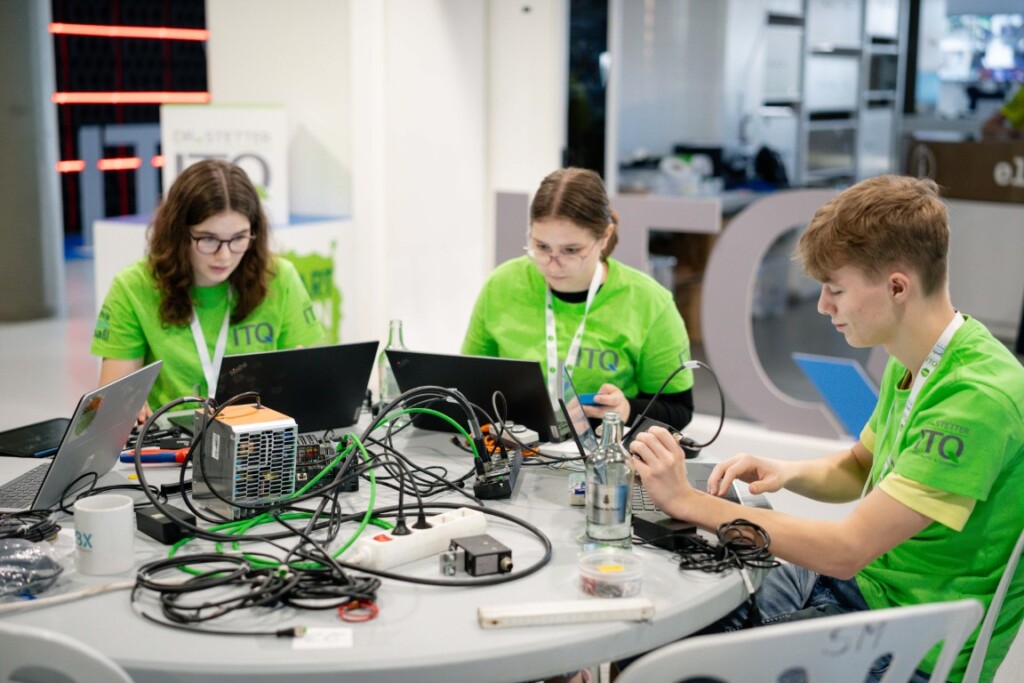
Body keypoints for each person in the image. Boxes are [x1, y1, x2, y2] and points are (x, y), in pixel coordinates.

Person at [629, 175, 1024, 683]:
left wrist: (686, 502)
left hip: (911, 646)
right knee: (658, 631)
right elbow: (861, 465)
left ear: (897, 287)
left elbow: (846, 550)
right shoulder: (921, 357)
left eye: (836, 290)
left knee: (674, 668)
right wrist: (786, 472)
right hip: (862, 593)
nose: (822, 305)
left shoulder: (975, 399)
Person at [461, 167, 694, 431]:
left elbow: (679, 410)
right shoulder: (502, 285)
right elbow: (470, 387)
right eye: (541, 247)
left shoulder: (648, 302)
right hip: (514, 446)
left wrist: (626, 410)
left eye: (571, 250)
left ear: (604, 236)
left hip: (603, 452)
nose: (553, 264)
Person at [91, 159, 324, 420]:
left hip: (259, 432)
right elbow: (110, 407)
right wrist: (125, 405)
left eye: (239, 238)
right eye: (208, 239)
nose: (224, 256)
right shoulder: (134, 288)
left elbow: (305, 382)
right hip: (171, 438)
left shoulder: (279, 278)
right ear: (178, 233)